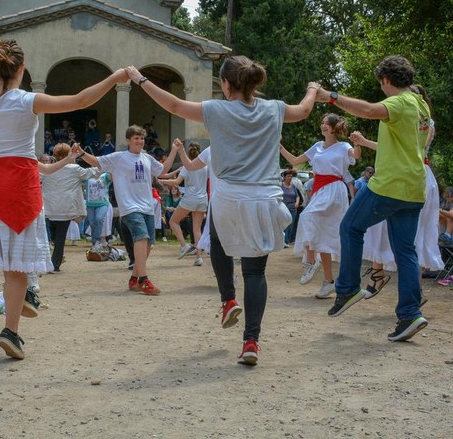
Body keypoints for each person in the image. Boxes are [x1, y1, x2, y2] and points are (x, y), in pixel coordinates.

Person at [125, 56, 319, 365]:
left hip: (230, 196)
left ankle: (228, 298)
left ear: (225, 85)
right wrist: (312, 89)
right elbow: (305, 110)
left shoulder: (217, 109)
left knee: (218, 243)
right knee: (255, 272)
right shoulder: (274, 109)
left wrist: (141, 79)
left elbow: (174, 106)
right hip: (265, 198)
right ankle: (251, 341)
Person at [0, 39, 129, 359]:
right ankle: (11, 330)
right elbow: (81, 99)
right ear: (22, 69)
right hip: (19, 181)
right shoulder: (26, 100)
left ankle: (25, 297)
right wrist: (115, 78)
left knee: (10, 262)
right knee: (17, 263)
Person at [315, 55, 430, 342]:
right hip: (415, 187)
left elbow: (367, 110)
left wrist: (331, 96)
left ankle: (348, 288)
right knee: (405, 251)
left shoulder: (399, 102)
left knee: (350, 227)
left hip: (390, 184)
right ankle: (410, 314)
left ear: (386, 81)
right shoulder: (421, 105)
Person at [77, 125, 167, 296]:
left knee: (149, 244)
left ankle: (134, 278)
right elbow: (97, 161)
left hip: (147, 206)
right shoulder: (119, 157)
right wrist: (82, 153)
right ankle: (143, 280)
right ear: (128, 141)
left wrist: (176, 151)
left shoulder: (147, 158)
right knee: (142, 237)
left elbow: (162, 170)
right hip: (130, 206)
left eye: (141, 138)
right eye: (136, 138)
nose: (140, 141)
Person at [280, 113, 360, 297]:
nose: (323, 125)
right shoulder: (317, 147)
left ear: (334, 127)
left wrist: (357, 142)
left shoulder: (343, 146)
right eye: (321, 122)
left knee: (307, 217)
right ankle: (328, 282)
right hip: (320, 190)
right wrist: (279, 146)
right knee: (322, 235)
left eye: (326, 123)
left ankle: (310, 261)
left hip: (334, 189)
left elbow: (355, 155)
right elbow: (294, 161)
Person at [42, 142, 98, 271]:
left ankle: (50, 261)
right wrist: (102, 165)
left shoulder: (46, 169)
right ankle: (55, 264)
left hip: (49, 209)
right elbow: (90, 173)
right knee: (60, 239)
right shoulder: (75, 169)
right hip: (65, 209)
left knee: (49, 239)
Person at [159, 142, 208, 266]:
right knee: (197, 230)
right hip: (202, 199)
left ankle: (183, 246)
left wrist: (160, 181)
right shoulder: (205, 166)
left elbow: (176, 181)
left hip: (190, 199)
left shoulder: (187, 167)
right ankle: (199, 257)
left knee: (173, 221)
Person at [280, 170, 299, 247]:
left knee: (290, 225)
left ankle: (287, 241)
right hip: (283, 208)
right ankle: (283, 241)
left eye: (291, 176)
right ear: (284, 177)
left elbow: (297, 196)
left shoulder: (293, 186)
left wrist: (297, 203)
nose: (290, 178)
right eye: (288, 176)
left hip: (292, 208)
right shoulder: (281, 186)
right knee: (284, 224)